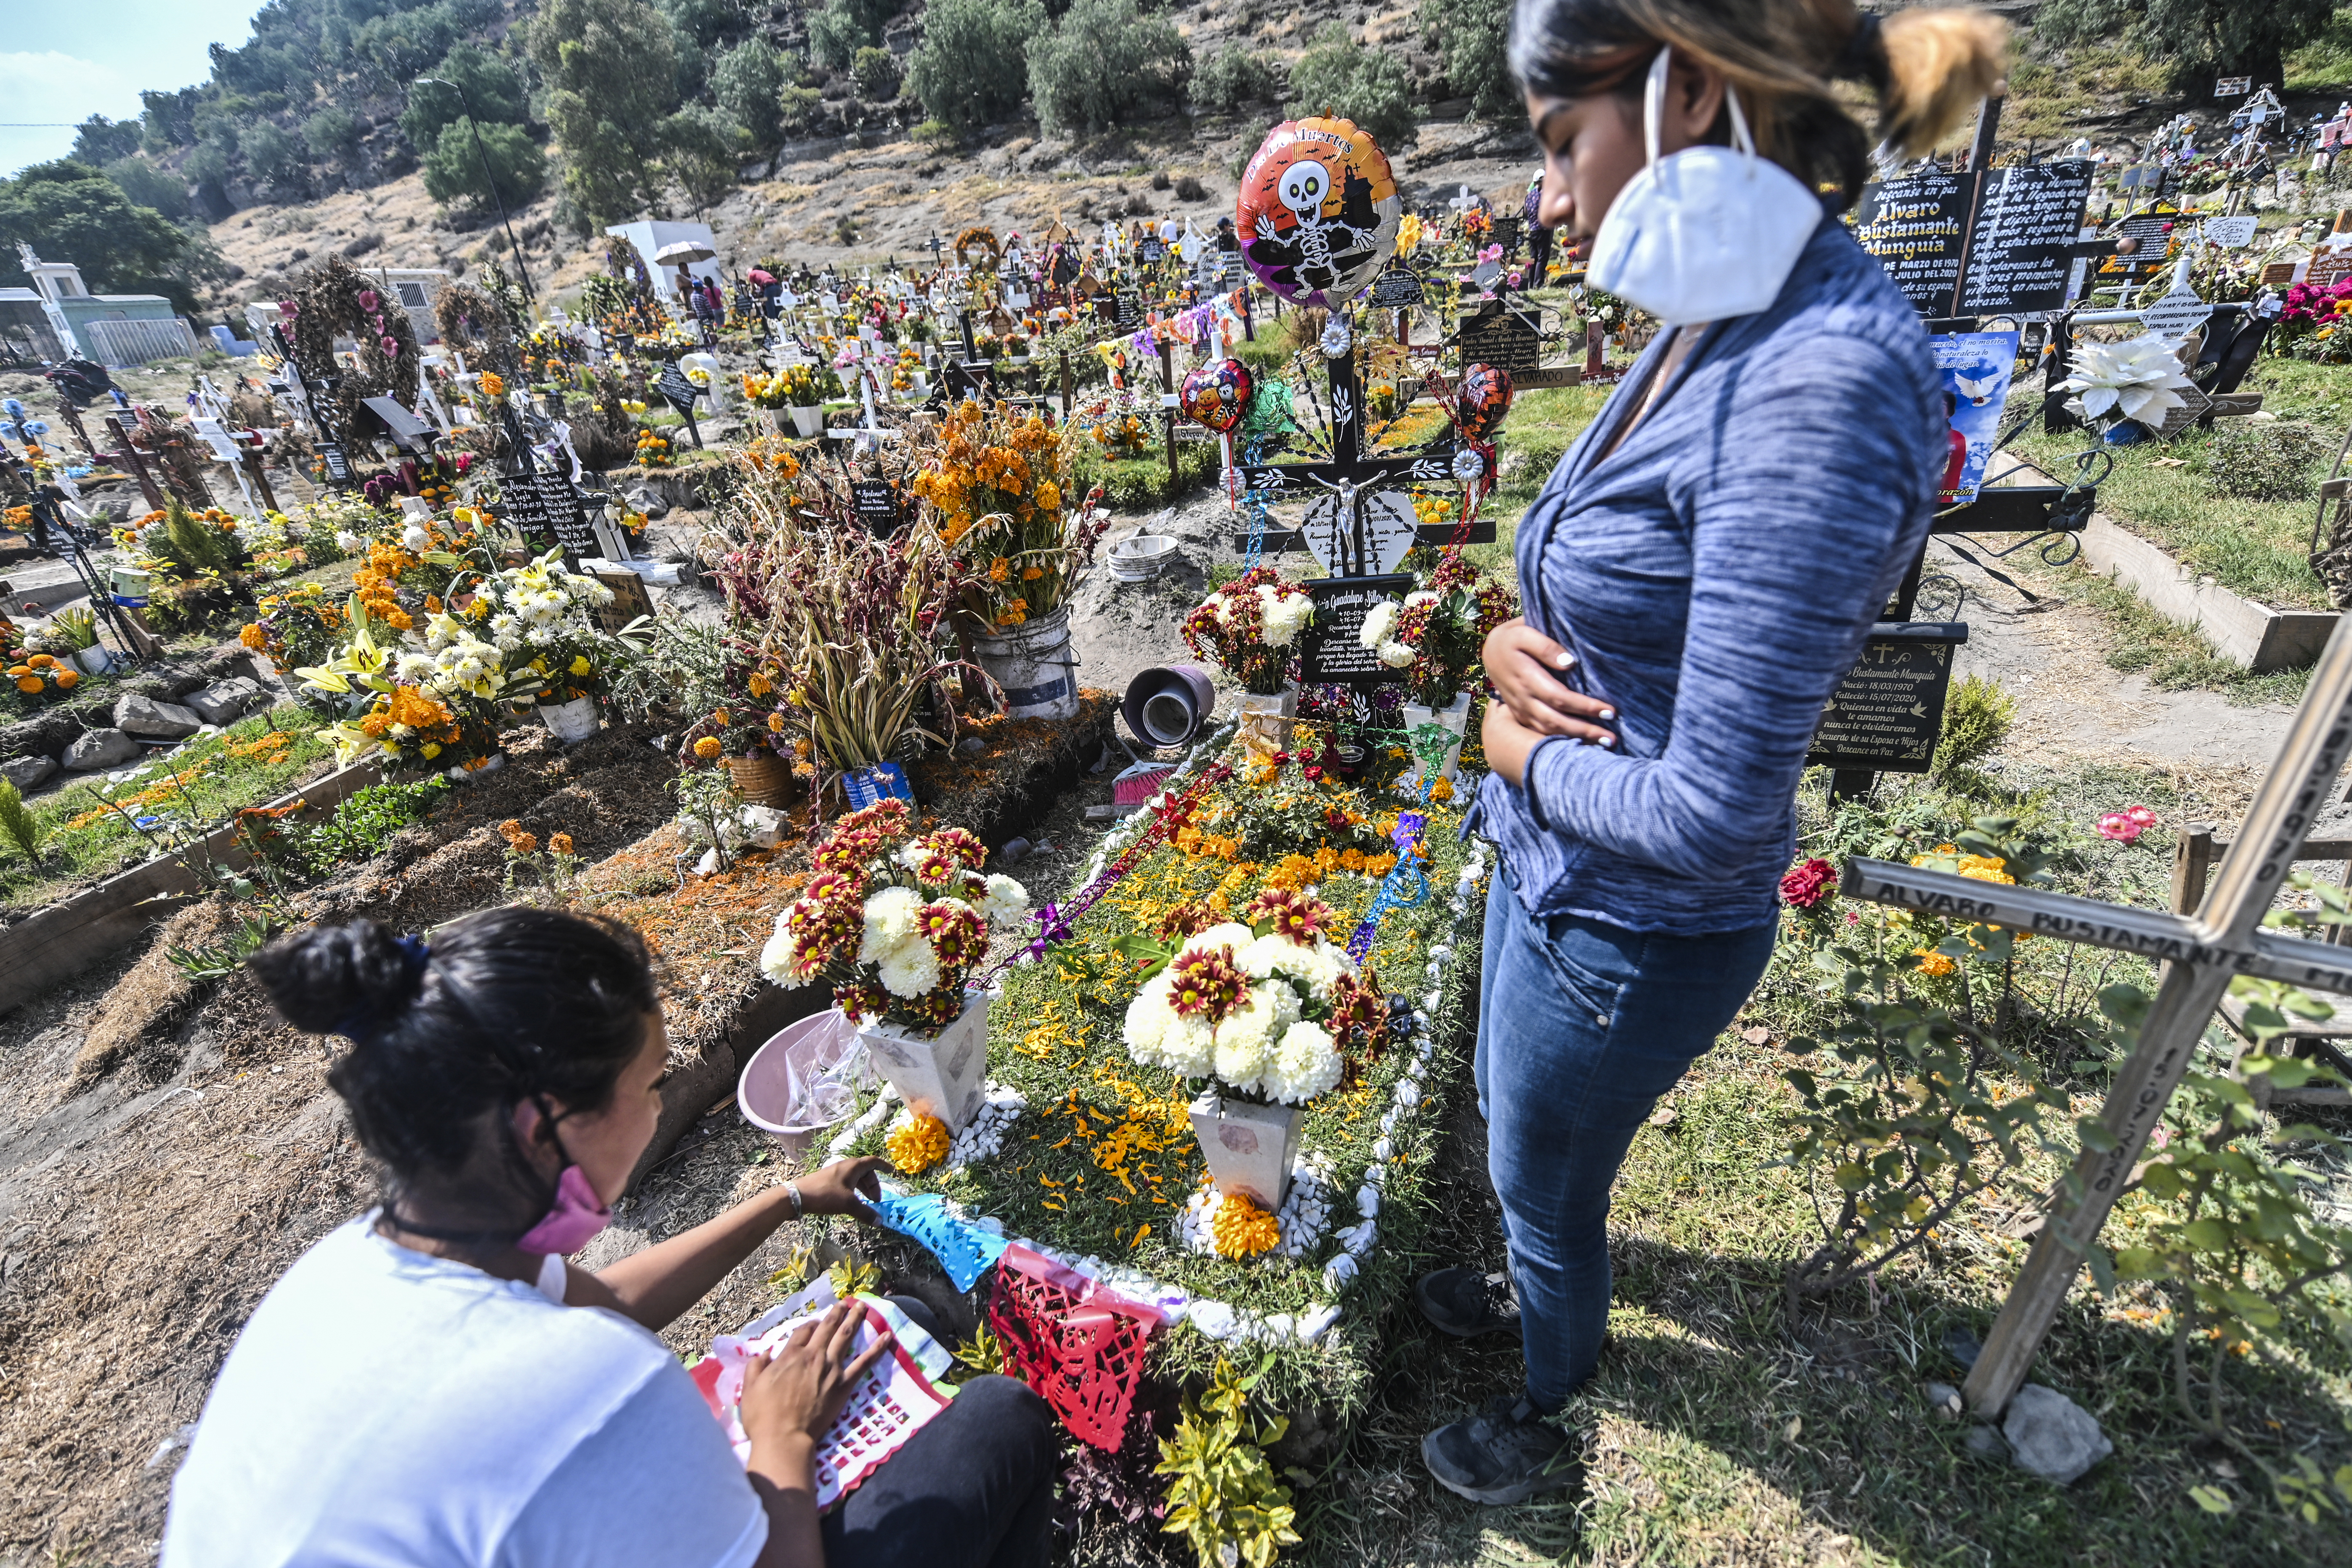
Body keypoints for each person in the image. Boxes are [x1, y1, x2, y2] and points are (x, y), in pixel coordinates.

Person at [1413, 0, 2008, 1507]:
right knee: (1514, 1141)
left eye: (1560, 142)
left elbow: (1712, 809)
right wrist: (1502, 641)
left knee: (1549, 1184)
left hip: (1630, 913)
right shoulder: (1721, 322)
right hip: (1562, 867)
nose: (1546, 195)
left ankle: (1550, 1406)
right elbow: (1600, 568)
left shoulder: (1814, 383)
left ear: (1680, 94)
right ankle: (1535, 1283)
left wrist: (1510, 753)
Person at [162, 909, 1057, 1568]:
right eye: (652, 1083)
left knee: (891, 1318)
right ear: (540, 1124)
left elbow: (612, 1299)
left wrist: (791, 1197)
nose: (661, 1107)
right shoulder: (592, 1388)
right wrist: (778, 1436)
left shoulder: (349, 1266)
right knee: (1000, 1418)